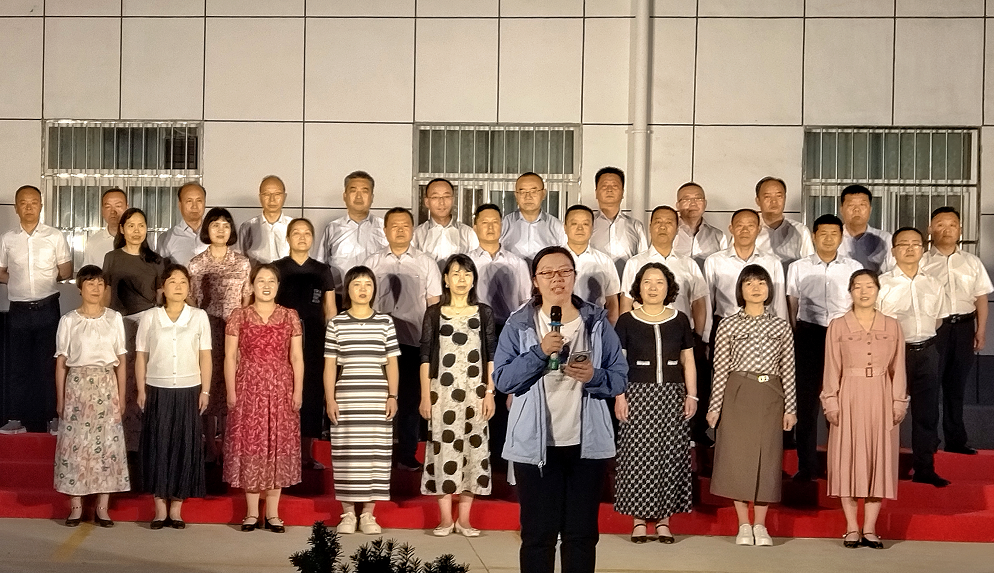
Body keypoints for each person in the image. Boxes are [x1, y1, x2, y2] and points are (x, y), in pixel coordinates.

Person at [494, 246, 627, 573]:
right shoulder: (519, 323)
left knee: (581, 535)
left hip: (586, 446)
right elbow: (503, 379)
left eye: (564, 271)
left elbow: (620, 378)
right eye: (548, 273)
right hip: (535, 446)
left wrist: (594, 376)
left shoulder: (596, 322)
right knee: (538, 536)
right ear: (535, 280)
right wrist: (539, 353)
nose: (557, 279)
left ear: (574, 276)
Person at [706, 264, 796, 547]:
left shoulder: (781, 326)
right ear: (740, 290)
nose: (756, 288)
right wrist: (715, 407)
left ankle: (761, 524)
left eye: (761, 282)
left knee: (767, 459)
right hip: (738, 390)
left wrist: (791, 408)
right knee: (737, 457)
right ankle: (743, 524)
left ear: (769, 288)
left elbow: (788, 368)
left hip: (770, 392)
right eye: (749, 283)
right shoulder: (728, 324)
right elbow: (720, 368)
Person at [821, 269, 907, 549]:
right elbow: (831, 367)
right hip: (849, 395)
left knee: (878, 461)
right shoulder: (838, 326)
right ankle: (851, 527)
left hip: (881, 394)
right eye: (858, 286)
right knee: (847, 459)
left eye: (869, 286)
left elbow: (898, 368)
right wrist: (831, 401)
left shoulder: (892, 326)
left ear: (878, 289)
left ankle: (870, 528)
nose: (864, 291)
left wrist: (898, 401)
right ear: (850, 291)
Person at [613, 262, 696, 544]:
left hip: (672, 395)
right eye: (647, 282)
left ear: (668, 287)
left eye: (659, 282)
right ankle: (638, 520)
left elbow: (688, 360)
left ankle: (664, 520)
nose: (653, 287)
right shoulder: (626, 320)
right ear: (639, 286)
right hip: (636, 394)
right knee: (637, 456)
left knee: (669, 456)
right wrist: (620, 396)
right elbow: (619, 363)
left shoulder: (680, 319)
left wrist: (692, 395)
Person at [418, 254, 497, 537]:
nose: (461, 279)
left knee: (474, 451)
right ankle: (444, 519)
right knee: (443, 450)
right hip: (442, 394)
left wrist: (490, 392)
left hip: (476, 393)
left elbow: (491, 355)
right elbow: (425, 356)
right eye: (455, 273)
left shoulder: (483, 313)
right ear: (445, 279)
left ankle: (464, 520)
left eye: (467, 274)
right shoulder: (434, 313)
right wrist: (425, 395)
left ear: (473, 279)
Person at [620, 205, 711, 447]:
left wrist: (697, 336)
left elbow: (699, 302)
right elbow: (626, 302)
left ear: (677, 228)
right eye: (658, 221)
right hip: (642, 338)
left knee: (683, 385)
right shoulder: (635, 263)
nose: (663, 226)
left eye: (669, 222)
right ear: (650, 227)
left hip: (678, 336)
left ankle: (686, 436)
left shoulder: (688, 264)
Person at [223, 264, 304, 534]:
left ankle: (272, 513)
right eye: (261, 280)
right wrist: (231, 390)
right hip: (248, 386)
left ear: (278, 286)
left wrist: (298, 390)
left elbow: (296, 357)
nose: (266, 285)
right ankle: (250, 513)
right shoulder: (239, 315)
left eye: (271, 281)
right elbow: (230, 356)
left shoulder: (289, 315)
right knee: (252, 445)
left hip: (281, 386)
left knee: (277, 445)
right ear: (252, 284)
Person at [785, 214, 862, 482]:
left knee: (840, 401)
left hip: (842, 336)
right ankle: (807, 466)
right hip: (808, 335)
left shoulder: (853, 267)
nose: (828, 238)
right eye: (823, 233)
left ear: (841, 237)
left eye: (834, 234)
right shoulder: (798, 267)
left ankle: (839, 466)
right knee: (807, 403)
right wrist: (794, 334)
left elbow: (858, 303)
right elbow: (792, 304)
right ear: (814, 236)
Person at [364, 207, 442, 471]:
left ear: (413, 230)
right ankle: (377, 454)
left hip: (412, 342)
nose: (400, 230)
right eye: (394, 226)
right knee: (377, 400)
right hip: (378, 343)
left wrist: (431, 344)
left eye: (405, 225)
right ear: (385, 230)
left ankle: (407, 454)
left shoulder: (426, 262)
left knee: (409, 400)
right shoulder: (372, 262)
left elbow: (434, 305)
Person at [324, 266, 400, 535]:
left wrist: (392, 395)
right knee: (347, 453)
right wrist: (330, 399)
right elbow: (330, 366)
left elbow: (392, 363)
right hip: (347, 397)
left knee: (374, 454)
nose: (363, 289)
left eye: (368, 284)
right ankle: (347, 513)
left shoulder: (385, 323)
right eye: (357, 284)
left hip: (377, 397)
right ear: (348, 289)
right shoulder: (336, 324)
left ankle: (368, 513)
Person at [135, 264, 212, 529]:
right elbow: (141, 356)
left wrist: (205, 390)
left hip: (189, 388)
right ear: (162, 288)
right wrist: (141, 389)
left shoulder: (199, 317)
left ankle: (177, 508)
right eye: (172, 281)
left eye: (183, 282)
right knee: (158, 445)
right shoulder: (150, 317)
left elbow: (205, 355)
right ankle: (159, 508)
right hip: (157, 388)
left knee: (185, 446)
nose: (178, 286)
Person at [53, 265, 129, 527]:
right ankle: (76, 506)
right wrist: (61, 399)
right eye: (90, 284)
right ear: (80, 288)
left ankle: (102, 507)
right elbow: (61, 362)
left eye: (100, 284)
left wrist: (121, 395)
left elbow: (121, 359)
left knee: (107, 445)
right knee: (76, 445)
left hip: (106, 385)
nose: (96, 289)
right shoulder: (69, 321)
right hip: (77, 387)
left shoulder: (114, 318)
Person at [877, 227, 948, 487]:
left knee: (926, 413)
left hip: (927, 352)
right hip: (892, 353)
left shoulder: (934, 283)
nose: (910, 248)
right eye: (903, 244)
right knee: (886, 412)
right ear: (893, 251)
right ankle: (882, 470)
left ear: (923, 249)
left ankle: (924, 469)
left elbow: (938, 319)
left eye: (915, 244)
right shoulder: (882, 284)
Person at [0, 185, 72, 435]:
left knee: (49, 366)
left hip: (47, 308)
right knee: (18, 367)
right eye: (23, 202)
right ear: (16, 207)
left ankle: (52, 417)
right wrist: (19, 282)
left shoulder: (55, 236)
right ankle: (15, 418)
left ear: (41, 205)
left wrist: (44, 279)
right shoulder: (7, 238)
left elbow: (66, 270)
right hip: (18, 311)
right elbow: (1, 271)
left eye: (34, 202)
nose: (29, 207)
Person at [921, 206, 993, 455]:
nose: (947, 229)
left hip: (964, 328)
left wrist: (980, 330)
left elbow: (981, 298)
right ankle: (928, 440)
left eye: (952, 224)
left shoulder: (972, 262)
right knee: (930, 386)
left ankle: (956, 440)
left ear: (960, 229)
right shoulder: (922, 261)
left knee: (956, 387)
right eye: (940, 224)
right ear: (930, 229)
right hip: (934, 329)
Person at [187, 207, 251, 464]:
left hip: (235, 330)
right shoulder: (197, 263)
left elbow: (246, 299)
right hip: (207, 329)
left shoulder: (242, 263)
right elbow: (191, 299)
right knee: (209, 382)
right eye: (215, 225)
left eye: (226, 225)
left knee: (232, 383)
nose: (221, 230)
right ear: (207, 230)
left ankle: (229, 442)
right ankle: (209, 444)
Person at [274, 218, 337, 469]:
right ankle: (282, 453)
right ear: (287, 238)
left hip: (314, 336)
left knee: (311, 392)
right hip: (281, 338)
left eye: (307, 233)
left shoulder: (322, 270)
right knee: (283, 392)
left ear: (313, 238)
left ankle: (306, 453)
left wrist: (332, 342)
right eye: (296, 233)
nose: (302, 237)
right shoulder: (277, 268)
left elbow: (330, 309)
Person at [101, 207, 165, 451]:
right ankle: (122, 440)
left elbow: (160, 298)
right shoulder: (112, 257)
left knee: (146, 380)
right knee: (122, 381)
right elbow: (106, 294)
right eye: (131, 225)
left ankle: (147, 439)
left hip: (148, 325)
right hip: (119, 325)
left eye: (141, 225)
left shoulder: (156, 260)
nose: (136, 230)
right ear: (122, 229)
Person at [704, 208, 788, 339]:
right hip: (726, 327)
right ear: (731, 229)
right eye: (739, 225)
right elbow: (707, 302)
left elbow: (779, 303)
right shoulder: (714, 261)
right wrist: (706, 335)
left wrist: (782, 334)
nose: (745, 230)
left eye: (750, 226)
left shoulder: (772, 262)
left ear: (758, 229)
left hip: (764, 328)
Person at [317, 170, 388, 296]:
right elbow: (320, 267)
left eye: (364, 191)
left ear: (372, 197)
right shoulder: (332, 228)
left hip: (376, 298)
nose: (359, 196)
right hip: (340, 298)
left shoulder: (384, 228)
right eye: (353, 190)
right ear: (344, 196)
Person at [467, 203, 532, 327]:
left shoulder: (518, 263)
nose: (490, 227)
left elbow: (525, 302)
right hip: (475, 327)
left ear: (501, 226)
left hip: (509, 328)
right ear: (475, 227)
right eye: (485, 222)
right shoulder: (467, 262)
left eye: (495, 222)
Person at [563, 204, 621, 324]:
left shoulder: (605, 261)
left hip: (595, 324)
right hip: (560, 324)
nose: (580, 228)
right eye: (574, 224)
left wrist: (610, 329)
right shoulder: (554, 259)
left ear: (592, 228)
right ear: (565, 227)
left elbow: (612, 302)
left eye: (585, 224)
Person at [589, 166, 648, 277]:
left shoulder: (636, 226)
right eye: (604, 186)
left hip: (627, 286)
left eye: (615, 186)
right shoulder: (587, 225)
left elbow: (643, 260)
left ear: (622, 192)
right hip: (594, 285)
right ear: (596, 192)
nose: (609, 190)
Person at [499, 172, 567, 265]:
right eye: (522, 192)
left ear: (543, 194)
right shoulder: (503, 225)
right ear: (516, 195)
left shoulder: (557, 227)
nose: (528, 197)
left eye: (534, 191)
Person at [412, 178, 478, 269]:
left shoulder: (468, 233)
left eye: (446, 196)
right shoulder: (417, 234)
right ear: (427, 202)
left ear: (453, 200)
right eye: (435, 197)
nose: (442, 202)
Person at [754, 177, 814, 268]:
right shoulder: (749, 230)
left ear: (785, 198)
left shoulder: (800, 230)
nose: (774, 201)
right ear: (758, 201)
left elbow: (809, 264)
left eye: (779, 196)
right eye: (767, 196)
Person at [837, 184, 894, 273]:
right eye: (851, 205)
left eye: (862, 205)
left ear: (870, 209)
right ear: (841, 210)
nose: (856, 210)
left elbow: (892, 271)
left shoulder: (885, 238)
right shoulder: (833, 238)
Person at [238, 175, 293, 266]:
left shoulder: (294, 226)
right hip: (256, 275)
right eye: (267, 194)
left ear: (284, 196)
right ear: (260, 197)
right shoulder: (248, 227)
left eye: (277, 194)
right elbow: (240, 260)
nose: (272, 199)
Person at [672, 182, 728, 268]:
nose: (693, 203)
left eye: (698, 198)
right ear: (678, 205)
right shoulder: (669, 233)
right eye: (687, 199)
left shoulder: (718, 236)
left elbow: (724, 267)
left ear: (705, 203)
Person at [157, 182, 208, 266]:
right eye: (189, 201)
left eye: (199, 201)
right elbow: (160, 270)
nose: (194, 206)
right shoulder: (167, 238)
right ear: (180, 205)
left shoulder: (216, 234)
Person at [82, 188, 128, 268]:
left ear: (127, 208)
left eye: (118, 206)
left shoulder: (139, 239)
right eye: (108, 207)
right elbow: (88, 273)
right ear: (102, 210)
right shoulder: (93, 242)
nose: (113, 211)